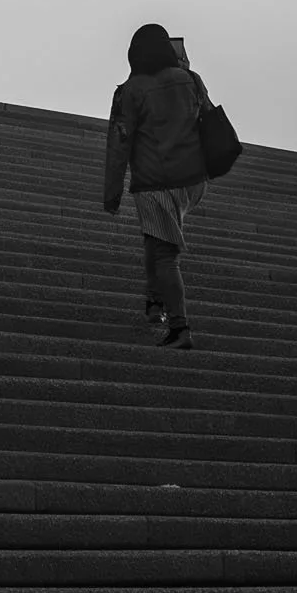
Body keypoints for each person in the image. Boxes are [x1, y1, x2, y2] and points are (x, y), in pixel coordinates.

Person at [103, 23, 209, 349]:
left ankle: (179, 327)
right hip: (192, 181)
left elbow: (119, 146)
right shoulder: (189, 80)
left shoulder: (130, 91)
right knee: (155, 237)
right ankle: (153, 300)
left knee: (165, 255)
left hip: (155, 183)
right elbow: (205, 116)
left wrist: (112, 194)